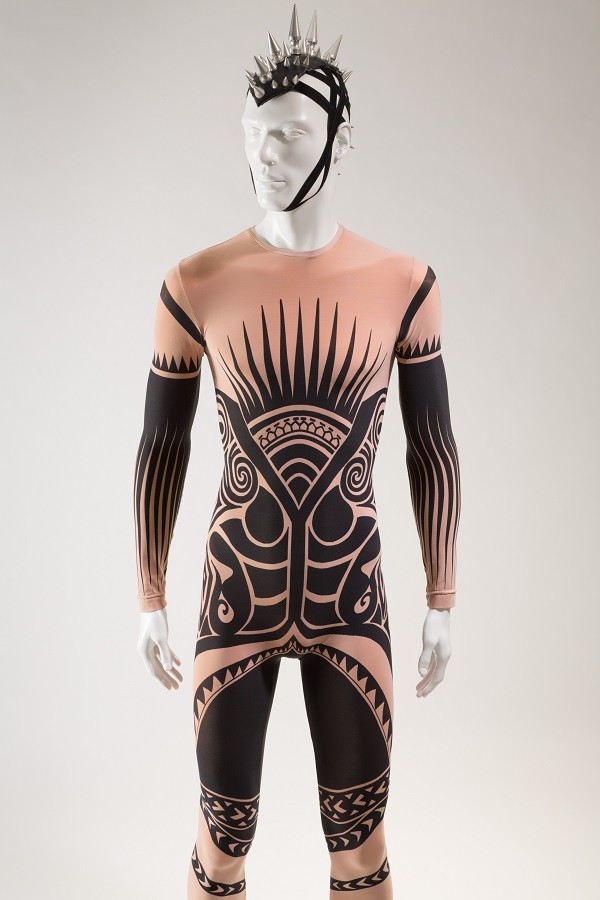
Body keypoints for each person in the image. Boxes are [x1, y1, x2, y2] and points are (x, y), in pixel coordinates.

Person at [133, 6, 461, 897]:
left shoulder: (405, 284)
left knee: (360, 844)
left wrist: (441, 597)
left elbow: (431, 447)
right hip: (235, 593)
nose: (264, 155)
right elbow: (161, 443)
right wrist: (149, 595)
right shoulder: (193, 284)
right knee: (221, 840)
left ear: (337, 141)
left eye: (288, 134)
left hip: (351, 595)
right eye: (253, 133)